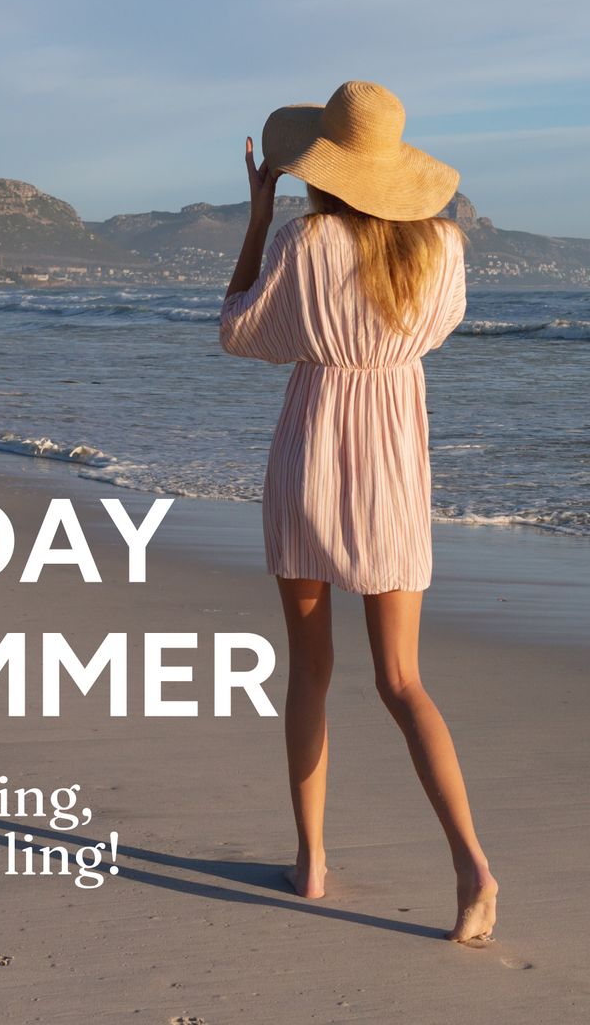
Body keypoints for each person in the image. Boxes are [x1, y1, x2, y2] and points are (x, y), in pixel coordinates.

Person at [219, 80, 497, 944]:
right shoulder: (442, 248)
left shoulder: (305, 240)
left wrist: (260, 216)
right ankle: (472, 867)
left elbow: (239, 331)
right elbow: (435, 332)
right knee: (402, 681)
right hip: (393, 466)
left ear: (320, 167)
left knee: (310, 670)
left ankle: (311, 864)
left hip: (311, 453)